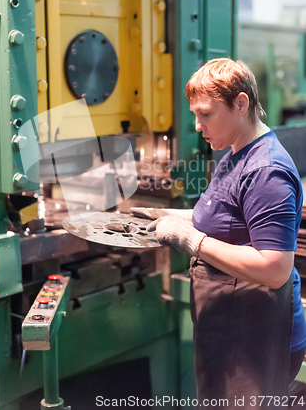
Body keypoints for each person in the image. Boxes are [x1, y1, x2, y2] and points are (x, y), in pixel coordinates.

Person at [131, 58, 306, 409]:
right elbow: (226, 218)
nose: (197, 125)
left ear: (241, 104)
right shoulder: (233, 155)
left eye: (206, 114)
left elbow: (274, 269)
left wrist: (192, 240)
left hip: (257, 334)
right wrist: (168, 216)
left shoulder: (266, 171)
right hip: (233, 322)